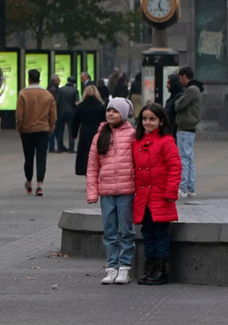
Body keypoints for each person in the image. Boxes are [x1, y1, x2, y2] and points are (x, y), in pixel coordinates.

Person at [86, 98, 136, 285]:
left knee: (126, 231)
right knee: (109, 231)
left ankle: (124, 268)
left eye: (115, 111)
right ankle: (111, 267)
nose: (110, 114)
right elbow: (92, 167)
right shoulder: (100, 136)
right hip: (106, 193)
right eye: (109, 110)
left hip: (126, 191)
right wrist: (92, 192)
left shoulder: (132, 134)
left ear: (123, 114)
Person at [133, 103, 182, 285]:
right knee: (147, 233)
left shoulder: (166, 141)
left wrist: (170, 191)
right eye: (145, 119)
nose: (148, 122)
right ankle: (150, 268)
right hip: (143, 198)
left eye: (152, 119)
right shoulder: (137, 142)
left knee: (160, 233)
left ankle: (161, 270)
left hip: (161, 197)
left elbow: (175, 167)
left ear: (161, 121)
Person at [16, 69, 57, 197]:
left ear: (28, 79)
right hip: (43, 130)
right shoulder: (48, 95)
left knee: (28, 158)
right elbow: (53, 115)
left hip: (27, 130)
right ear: (39, 80)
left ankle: (29, 182)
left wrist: (20, 128)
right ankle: (39, 185)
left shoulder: (23, 94)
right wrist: (50, 128)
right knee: (41, 158)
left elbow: (19, 115)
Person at [175, 67, 203, 199]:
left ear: (184, 76)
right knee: (189, 158)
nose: (179, 80)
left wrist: (177, 101)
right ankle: (191, 188)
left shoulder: (191, 90)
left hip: (185, 127)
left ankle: (183, 188)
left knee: (184, 158)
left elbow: (179, 105)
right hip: (190, 128)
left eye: (180, 77)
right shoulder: (195, 89)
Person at [71, 86, 106, 176]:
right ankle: (96, 175)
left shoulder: (81, 106)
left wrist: (73, 134)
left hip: (85, 132)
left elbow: (75, 122)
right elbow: (105, 121)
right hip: (97, 132)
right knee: (97, 155)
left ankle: (87, 174)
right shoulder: (101, 106)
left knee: (85, 154)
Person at [56, 76, 79, 153]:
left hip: (61, 112)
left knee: (60, 130)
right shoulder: (75, 90)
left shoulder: (61, 89)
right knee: (71, 131)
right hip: (71, 112)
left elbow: (57, 101)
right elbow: (76, 102)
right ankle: (71, 148)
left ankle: (60, 147)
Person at [164, 74, 183, 140]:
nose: (166, 85)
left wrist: (173, 133)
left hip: (174, 133)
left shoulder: (179, 97)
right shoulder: (172, 97)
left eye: (169, 83)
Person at [47, 75, 62, 152]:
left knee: (54, 129)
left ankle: (55, 145)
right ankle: (52, 146)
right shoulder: (54, 89)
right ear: (55, 81)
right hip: (54, 112)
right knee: (54, 129)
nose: (60, 81)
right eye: (58, 80)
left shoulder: (50, 88)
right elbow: (56, 102)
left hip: (51, 111)